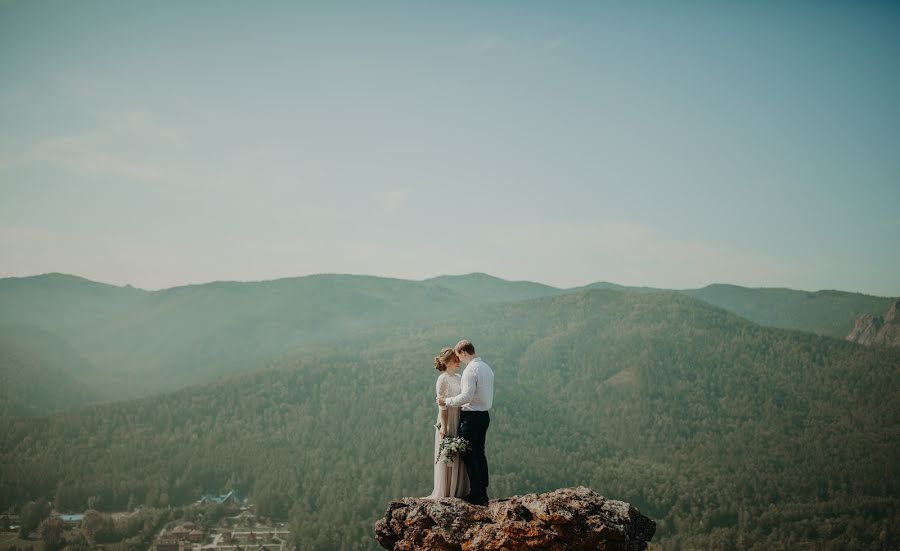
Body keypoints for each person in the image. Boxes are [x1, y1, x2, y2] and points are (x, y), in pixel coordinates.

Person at [438, 339, 494, 506]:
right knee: (480, 453)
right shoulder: (486, 367)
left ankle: (476, 493)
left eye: (458, 356)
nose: (458, 360)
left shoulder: (470, 371)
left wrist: (445, 401)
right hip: (484, 415)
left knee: (469, 454)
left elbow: (466, 397)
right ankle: (483, 491)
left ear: (463, 353)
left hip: (471, 416)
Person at [422, 347, 470, 500]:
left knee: (457, 452)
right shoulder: (442, 379)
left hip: (459, 417)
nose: (459, 362)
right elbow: (441, 405)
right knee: (448, 453)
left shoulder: (458, 376)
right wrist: (444, 425)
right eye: (456, 359)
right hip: (448, 418)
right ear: (448, 361)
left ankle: (458, 489)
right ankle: (446, 490)